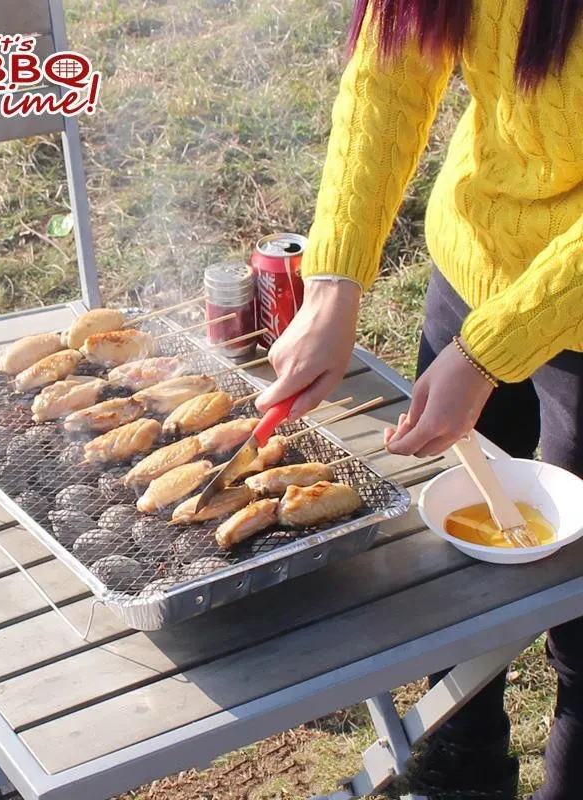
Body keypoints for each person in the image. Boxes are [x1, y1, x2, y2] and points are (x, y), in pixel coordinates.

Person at [255, 1, 583, 798]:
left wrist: (490, 353)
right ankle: (462, 764)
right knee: (453, 539)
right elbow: (388, 77)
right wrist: (333, 286)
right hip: (476, 263)